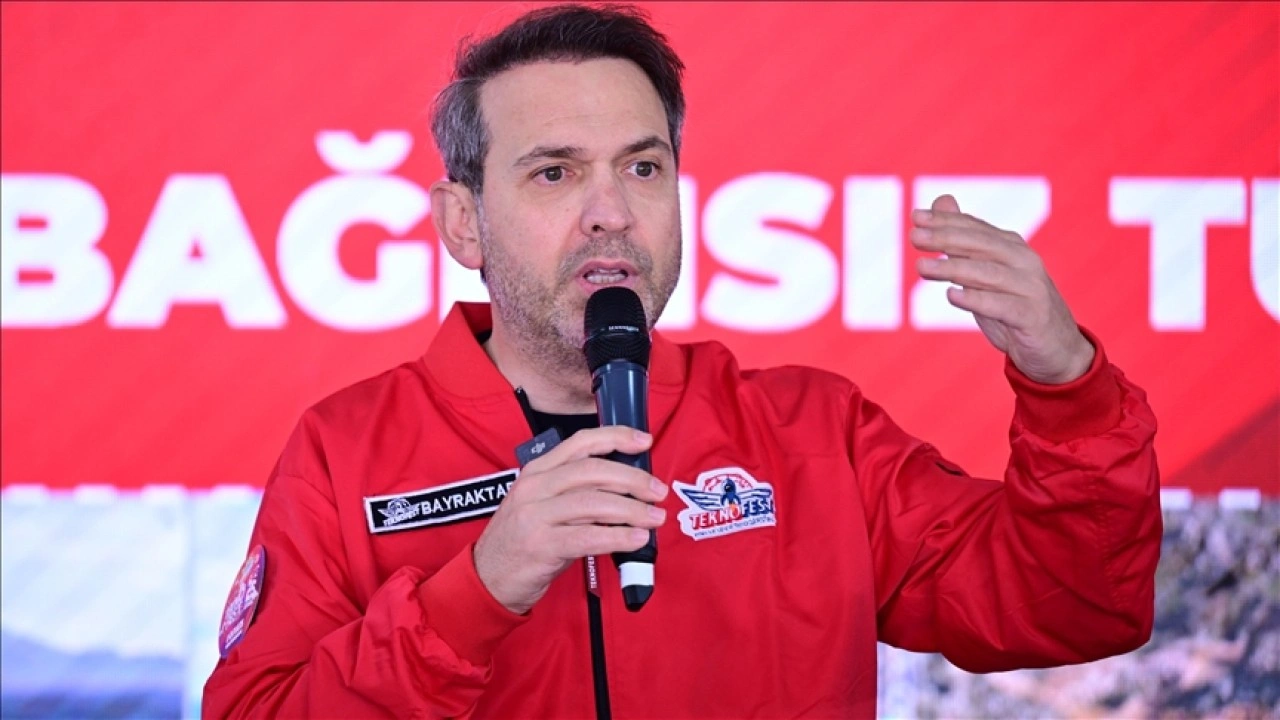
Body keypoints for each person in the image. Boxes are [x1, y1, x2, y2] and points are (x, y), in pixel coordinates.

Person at [202, 4, 1162, 718]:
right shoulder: (345, 452)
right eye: (554, 172)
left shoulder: (810, 435)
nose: (612, 212)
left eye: (643, 166)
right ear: (463, 222)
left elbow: (1073, 606)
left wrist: (1067, 388)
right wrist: (477, 590)